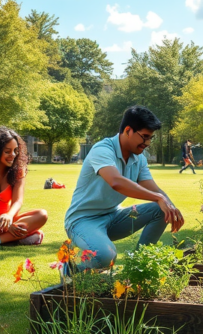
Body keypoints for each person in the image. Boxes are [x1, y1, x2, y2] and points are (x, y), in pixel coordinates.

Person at [64, 105, 184, 270]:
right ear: (128, 130)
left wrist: (170, 207)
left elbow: (154, 189)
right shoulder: (102, 149)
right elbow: (116, 182)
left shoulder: (139, 158)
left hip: (113, 217)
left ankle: (138, 266)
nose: (147, 143)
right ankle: (69, 267)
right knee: (105, 255)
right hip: (83, 220)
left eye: (151, 138)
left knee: (160, 209)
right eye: (144, 137)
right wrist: (159, 198)